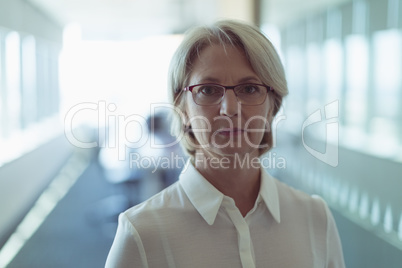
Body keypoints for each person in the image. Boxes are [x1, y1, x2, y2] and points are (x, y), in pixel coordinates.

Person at [105, 20, 345, 268]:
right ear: (182, 107)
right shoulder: (142, 234)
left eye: (249, 88)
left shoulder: (315, 219)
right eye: (208, 90)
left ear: (272, 106)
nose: (230, 108)